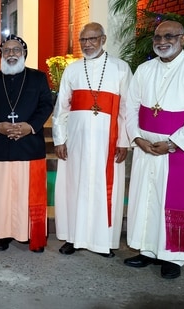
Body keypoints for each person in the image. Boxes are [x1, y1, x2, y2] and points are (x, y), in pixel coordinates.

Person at [124, 20, 184, 279]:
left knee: (172, 201)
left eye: (169, 36)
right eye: (157, 37)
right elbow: (130, 108)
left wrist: (173, 143)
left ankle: (173, 256)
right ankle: (147, 250)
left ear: (183, 39)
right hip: (146, 147)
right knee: (147, 199)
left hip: (177, 151)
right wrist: (137, 138)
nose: (161, 41)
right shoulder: (144, 69)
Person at [52, 22, 132, 258]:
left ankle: (103, 241)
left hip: (108, 142)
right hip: (76, 142)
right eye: (83, 40)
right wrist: (59, 139)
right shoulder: (72, 70)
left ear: (103, 39)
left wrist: (124, 141)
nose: (88, 44)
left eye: (92, 39)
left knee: (104, 189)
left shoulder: (121, 68)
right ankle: (73, 237)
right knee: (74, 186)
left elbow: (128, 108)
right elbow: (61, 108)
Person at [0, 35, 53, 252]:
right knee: (2, 194)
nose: (11, 54)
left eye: (16, 50)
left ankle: (29, 233)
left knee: (27, 195)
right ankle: (2, 233)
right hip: (1, 145)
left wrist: (30, 126)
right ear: (1, 54)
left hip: (29, 145)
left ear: (24, 53)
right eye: (7, 50)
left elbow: (46, 104)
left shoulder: (38, 78)